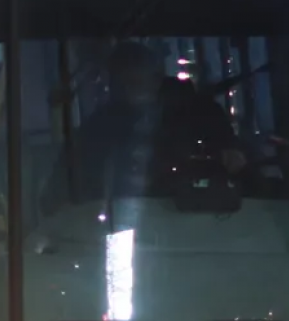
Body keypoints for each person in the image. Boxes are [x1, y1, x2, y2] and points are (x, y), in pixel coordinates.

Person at [48, 40, 246, 208]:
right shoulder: (99, 128)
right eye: (123, 80)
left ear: (157, 78)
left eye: (138, 78)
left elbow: (239, 163)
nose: (131, 87)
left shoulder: (204, 116)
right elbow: (59, 193)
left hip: (205, 218)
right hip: (123, 225)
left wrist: (232, 156)